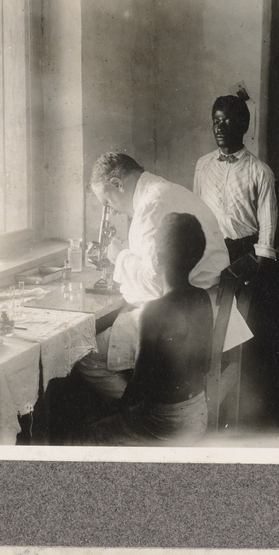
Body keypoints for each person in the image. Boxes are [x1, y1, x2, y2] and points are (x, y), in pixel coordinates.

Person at [78, 152, 251, 404]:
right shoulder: (169, 190)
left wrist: (121, 256)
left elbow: (154, 283)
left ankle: (140, 416)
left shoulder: (151, 205)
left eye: (108, 201)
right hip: (209, 307)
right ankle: (148, 409)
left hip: (187, 319)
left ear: (118, 184)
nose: (111, 209)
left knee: (86, 355)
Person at [77, 213, 213, 445]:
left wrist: (119, 409)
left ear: (156, 260)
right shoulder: (202, 298)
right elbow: (205, 364)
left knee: (83, 436)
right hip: (198, 414)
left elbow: (140, 383)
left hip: (165, 424)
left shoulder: (154, 311)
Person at [193, 92, 278, 264]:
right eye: (216, 121)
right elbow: (197, 210)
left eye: (226, 121)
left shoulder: (260, 171)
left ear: (244, 125)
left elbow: (267, 223)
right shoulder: (203, 165)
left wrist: (260, 262)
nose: (219, 127)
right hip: (209, 252)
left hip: (244, 254)